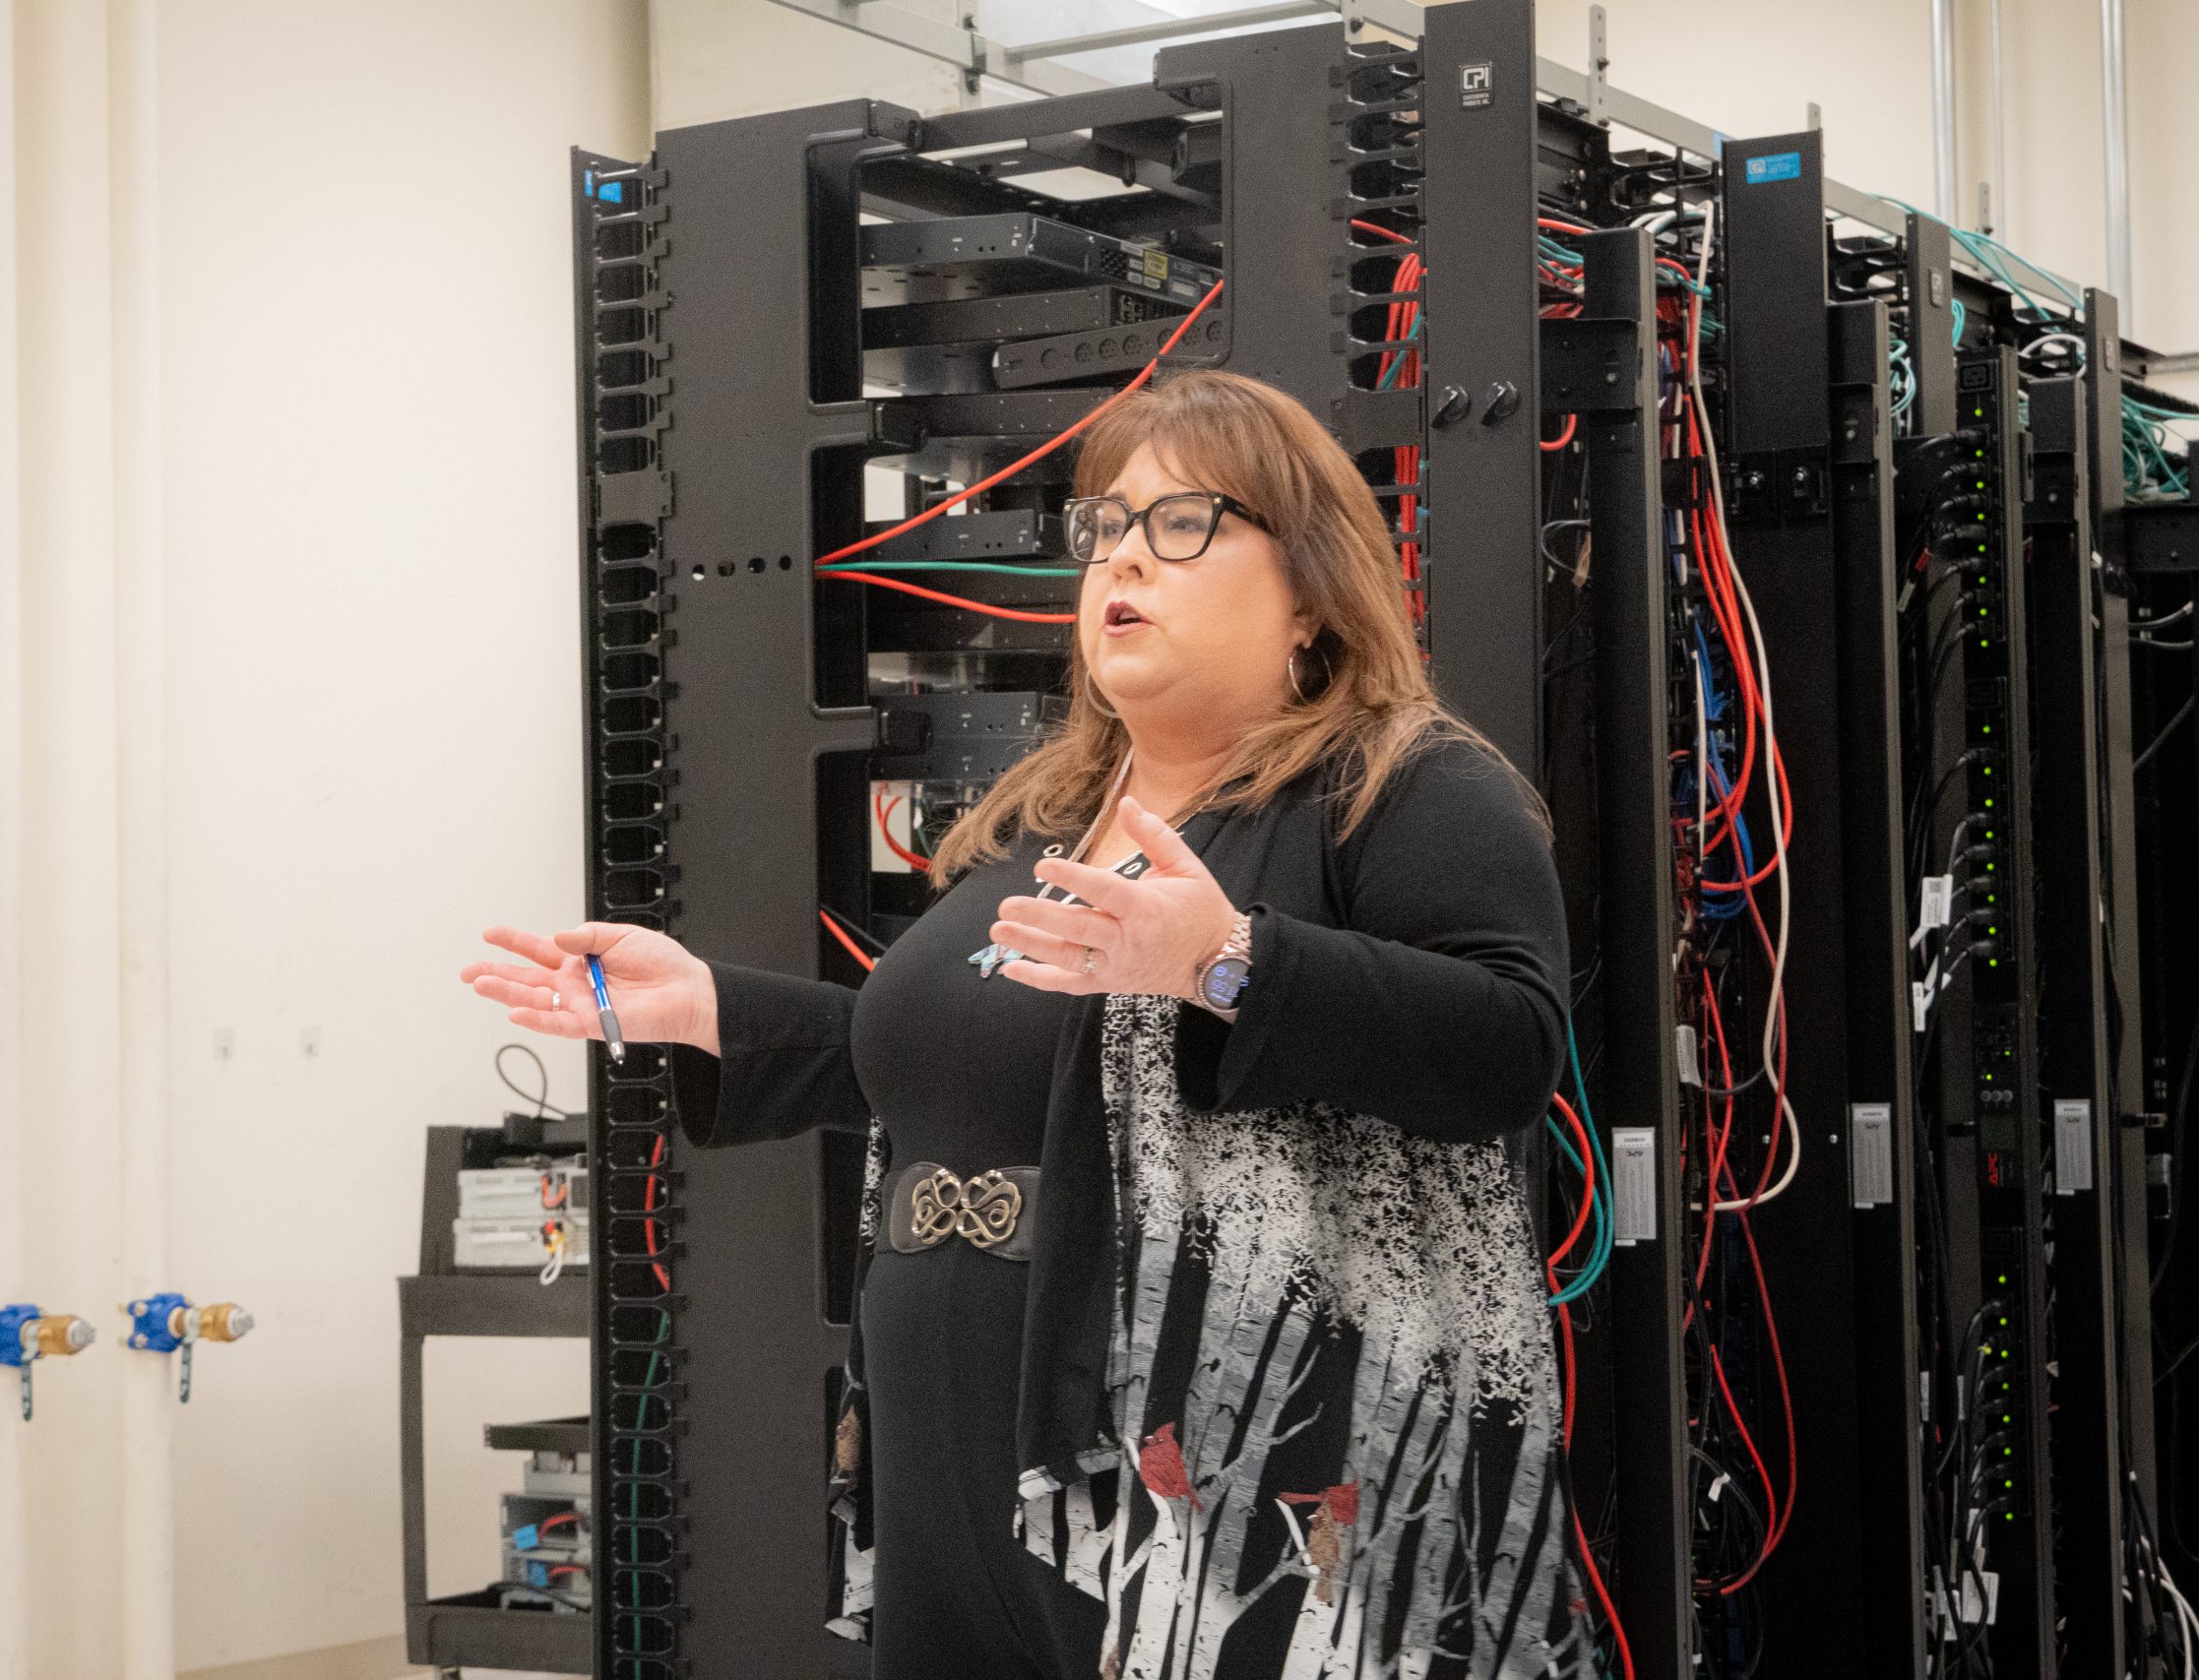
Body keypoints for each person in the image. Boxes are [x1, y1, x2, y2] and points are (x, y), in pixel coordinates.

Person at [462, 370, 1580, 1678]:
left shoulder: (1402, 784)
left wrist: (1226, 960)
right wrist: (715, 1010)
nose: (1123, 555)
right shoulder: (1043, 818)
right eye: (1105, 525)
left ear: (1314, 594)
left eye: (1182, 523)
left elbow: (1507, 1047)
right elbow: (984, 1076)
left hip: (1237, 1474)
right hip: (960, 1464)